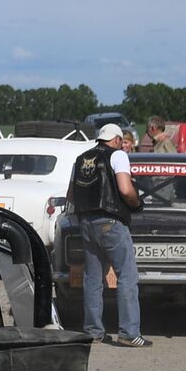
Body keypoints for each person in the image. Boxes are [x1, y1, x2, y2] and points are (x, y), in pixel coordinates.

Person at [65, 123, 147, 347]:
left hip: (86, 222)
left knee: (92, 278)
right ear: (117, 140)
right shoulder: (118, 155)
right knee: (127, 276)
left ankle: (93, 331)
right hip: (111, 221)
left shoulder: (81, 159)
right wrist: (136, 203)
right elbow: (125, 189)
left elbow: (70, 194)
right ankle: (129, 333)